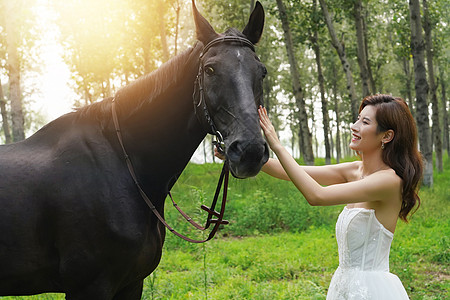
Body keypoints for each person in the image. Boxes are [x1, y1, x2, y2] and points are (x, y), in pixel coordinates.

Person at [215, 94, 423, 299]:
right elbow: (289, 171)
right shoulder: (354, 171)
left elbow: (317, 195)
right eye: (358, 118)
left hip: (372, 291)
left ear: (386, 136)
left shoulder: (389, 181)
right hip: (343, 285)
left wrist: (277, 145)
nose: (354, 126)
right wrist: (238, 154)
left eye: (365, 122)